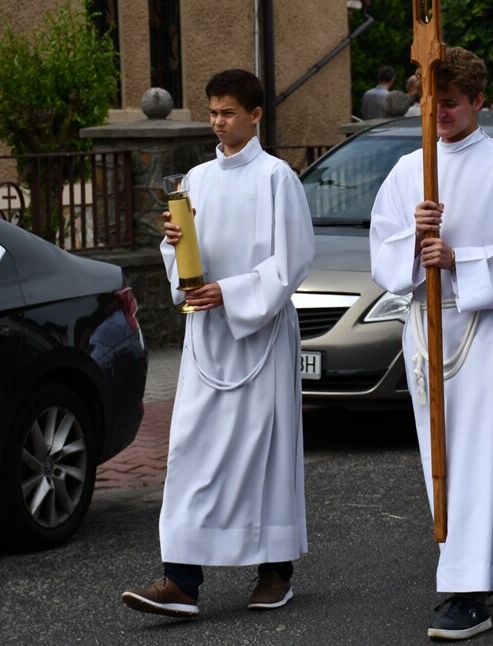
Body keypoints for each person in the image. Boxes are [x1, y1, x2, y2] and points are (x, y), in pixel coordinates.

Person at [122, 69, 315, 618]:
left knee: (264, 454)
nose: (217, 121)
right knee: (191, 452)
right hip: (207, 338)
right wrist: (174, 246)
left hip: (260, 334)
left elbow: (292, 261)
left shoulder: (278, 179)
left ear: (255, 116)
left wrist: (228, 292)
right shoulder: (197, 180)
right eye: (212, 112)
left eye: (228, 112)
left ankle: (275, 574)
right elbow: (183, 259)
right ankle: (181, 579)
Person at [370, 46, 493, 641]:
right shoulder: (406, 170)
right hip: (425, 319)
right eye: (430, 102)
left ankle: (467, 592)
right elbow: (383, 252)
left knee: (480, 452)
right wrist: (413, 244)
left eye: (450, 103)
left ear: (478, 102)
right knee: (441, 453)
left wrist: (458, 258)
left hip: (482, 319)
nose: (439, 114)